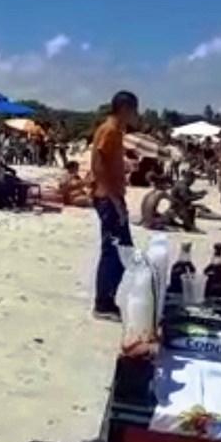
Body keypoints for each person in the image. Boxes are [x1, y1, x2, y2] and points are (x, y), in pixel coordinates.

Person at [91, 90, 138, 321]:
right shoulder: (109, 130)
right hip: (108, 198)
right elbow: (99, 168)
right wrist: (114, 201)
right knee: (114, 251)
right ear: (125, 108)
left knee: (125, 250)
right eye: (134, 110)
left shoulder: (116, 131)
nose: (135, 115)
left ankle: (108, 300)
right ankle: (102, 303)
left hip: (114, 197)